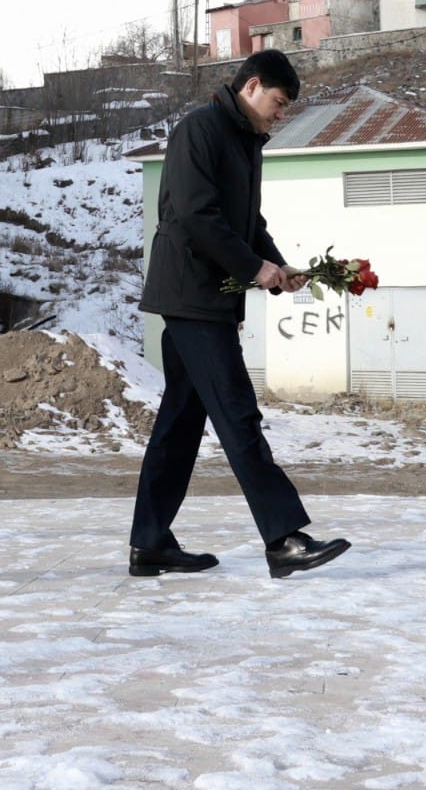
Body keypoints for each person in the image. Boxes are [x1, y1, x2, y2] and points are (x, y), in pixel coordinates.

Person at [131, 49, 351, 580]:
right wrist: (256, 269)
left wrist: (276, 265)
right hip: (191, 298)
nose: (281, 115)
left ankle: (151, 543)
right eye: (278, 103)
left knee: (179, 426)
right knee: (238, 415)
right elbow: (195, 215)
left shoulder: (245, 142)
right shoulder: (200, 130)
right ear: (252, 87)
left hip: (206, 299)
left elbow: (246, 221)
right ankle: (284, 539)